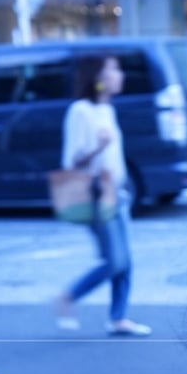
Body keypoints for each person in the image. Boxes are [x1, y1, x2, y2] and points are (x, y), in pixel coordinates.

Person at [55, 55, 151, 337]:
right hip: (95, 194)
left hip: (117, 193)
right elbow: (71, 162)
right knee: (116, 260)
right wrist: (99, 146)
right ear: (97, 77)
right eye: (113, 69)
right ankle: (68, 296)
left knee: (125, 261)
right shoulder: (80, 111)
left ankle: (118, 318)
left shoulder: (106, 109)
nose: (120, 75)